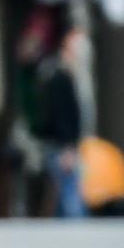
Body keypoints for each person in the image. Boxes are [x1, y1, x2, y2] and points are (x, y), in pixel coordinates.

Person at [35, 27, 88, 219]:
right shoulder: (59, 77)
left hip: (64, 144)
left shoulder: (64, 74)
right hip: (62, 145)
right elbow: (60, 114)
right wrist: (66, 146)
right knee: (70, 195)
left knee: (64, 193)